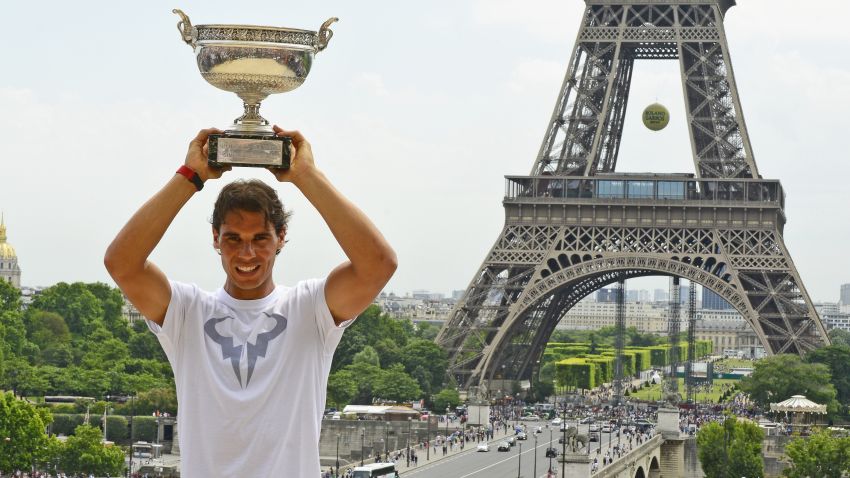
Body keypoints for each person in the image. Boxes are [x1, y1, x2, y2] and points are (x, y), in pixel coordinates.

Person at [104, 127, 397, 477]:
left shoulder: (309, 308)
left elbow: (380, 265)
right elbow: (120, 263)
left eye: (260, 238)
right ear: (215, 238)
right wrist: (189, 176)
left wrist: (308, 176)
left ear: (281, 238)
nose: (246, 253)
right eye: (233, 238)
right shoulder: (188, 312)